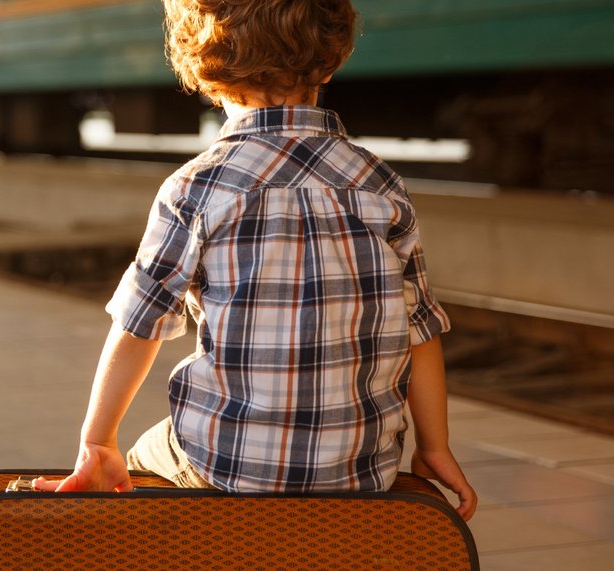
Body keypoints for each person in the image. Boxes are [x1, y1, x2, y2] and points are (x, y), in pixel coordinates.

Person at [32, 0, 476, 520]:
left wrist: (98, 441)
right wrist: (434, 446)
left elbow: (139, 325)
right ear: (331, 59)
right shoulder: (380, 184)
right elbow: (420, 332)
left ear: (203, 68)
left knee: (140, 460)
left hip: (225, 469)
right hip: (361, 475)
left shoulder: (195, 188)